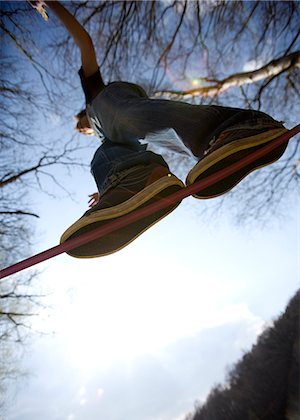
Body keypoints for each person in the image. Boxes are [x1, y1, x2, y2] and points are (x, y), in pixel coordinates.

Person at [34, 1, 288, 258]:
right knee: (104, 156)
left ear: (82, 115)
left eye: (80, 126)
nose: (82, 130)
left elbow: (84, 42)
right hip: (122, 133)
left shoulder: (93, 93)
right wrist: (110, 189)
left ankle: (238, 125)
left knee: (124, 118)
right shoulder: (106, 137)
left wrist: (51, 3)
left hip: (116, 102)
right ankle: (137, 181)